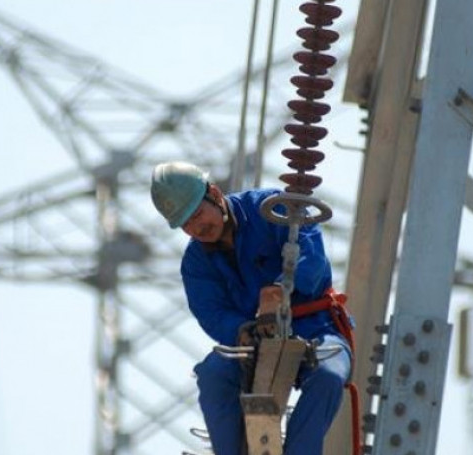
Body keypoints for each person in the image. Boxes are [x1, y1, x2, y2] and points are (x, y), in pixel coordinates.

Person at [150, 161, 352, 455]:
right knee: (213, 375)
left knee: (329, 375)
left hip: (315, 326)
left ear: (216, 195)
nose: (197, 228)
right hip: (252, 343)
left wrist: (281, 289)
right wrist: (242, 331)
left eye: (197, 214)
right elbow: (211, 313)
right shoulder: (196, 262)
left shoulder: (273, 209)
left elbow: (313, 259)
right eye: (186, 224)